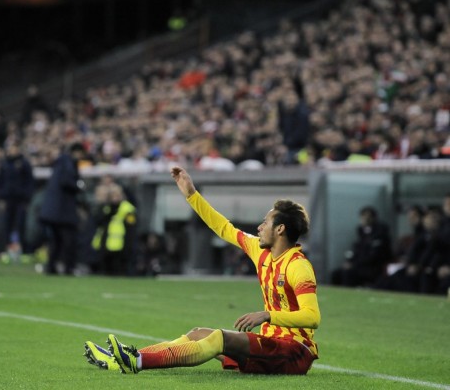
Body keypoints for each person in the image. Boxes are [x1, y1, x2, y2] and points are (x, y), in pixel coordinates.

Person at [84, 166, 320, 375]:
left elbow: (312, 317)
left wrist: (267, 315)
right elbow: (223, 227)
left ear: (280, 230)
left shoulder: (298, 265)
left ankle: (137, 361)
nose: (259, 227)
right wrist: (191, 195)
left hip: (294, 351)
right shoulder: (261, 252)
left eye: (265, 223)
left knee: (218, 338)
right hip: (269, 343)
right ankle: (125, 358)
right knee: (198, 333)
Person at [38, 143, 85, 275]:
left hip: (53, 211)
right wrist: (79, 186)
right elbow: (67, 181)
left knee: (56, 241)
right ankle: (68, 268)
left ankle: (51, 267)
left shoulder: (60, 163)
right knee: (69, 240)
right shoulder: (68, 162)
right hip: (62, 211)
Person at [330, 206, 391, 287]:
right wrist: (349, 261)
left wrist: (354, 264)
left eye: (367, 217)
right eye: (363, 216)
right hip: (359, 265)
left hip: (372, 268)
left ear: (373, 218)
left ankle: (349, 296)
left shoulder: (380, 235)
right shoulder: (362, 233)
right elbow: (355, 250)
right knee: (335, 274)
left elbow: (373, 256)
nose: (365, 219)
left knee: (348, 273)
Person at [0, 141, 35, 256]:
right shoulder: (4, 164)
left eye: (14, 148)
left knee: (20, 225)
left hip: (20, 200)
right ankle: (8, 248)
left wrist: (27, 198)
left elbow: (30, 182)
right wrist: (1, 198)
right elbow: (0, 182)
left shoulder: (24, 164)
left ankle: (20, 249)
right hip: (8, 199)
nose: (12, 150)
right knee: (7, 225)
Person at [90, 184, 137, 276]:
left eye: (117, 195)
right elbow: (97, 221)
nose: (115, 198)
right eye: (112, 195)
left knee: (120, 271)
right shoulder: (106, 208)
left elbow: (131, 228)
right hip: (106, 244)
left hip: (122, 245)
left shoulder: (127, 208)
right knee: (106, 271)